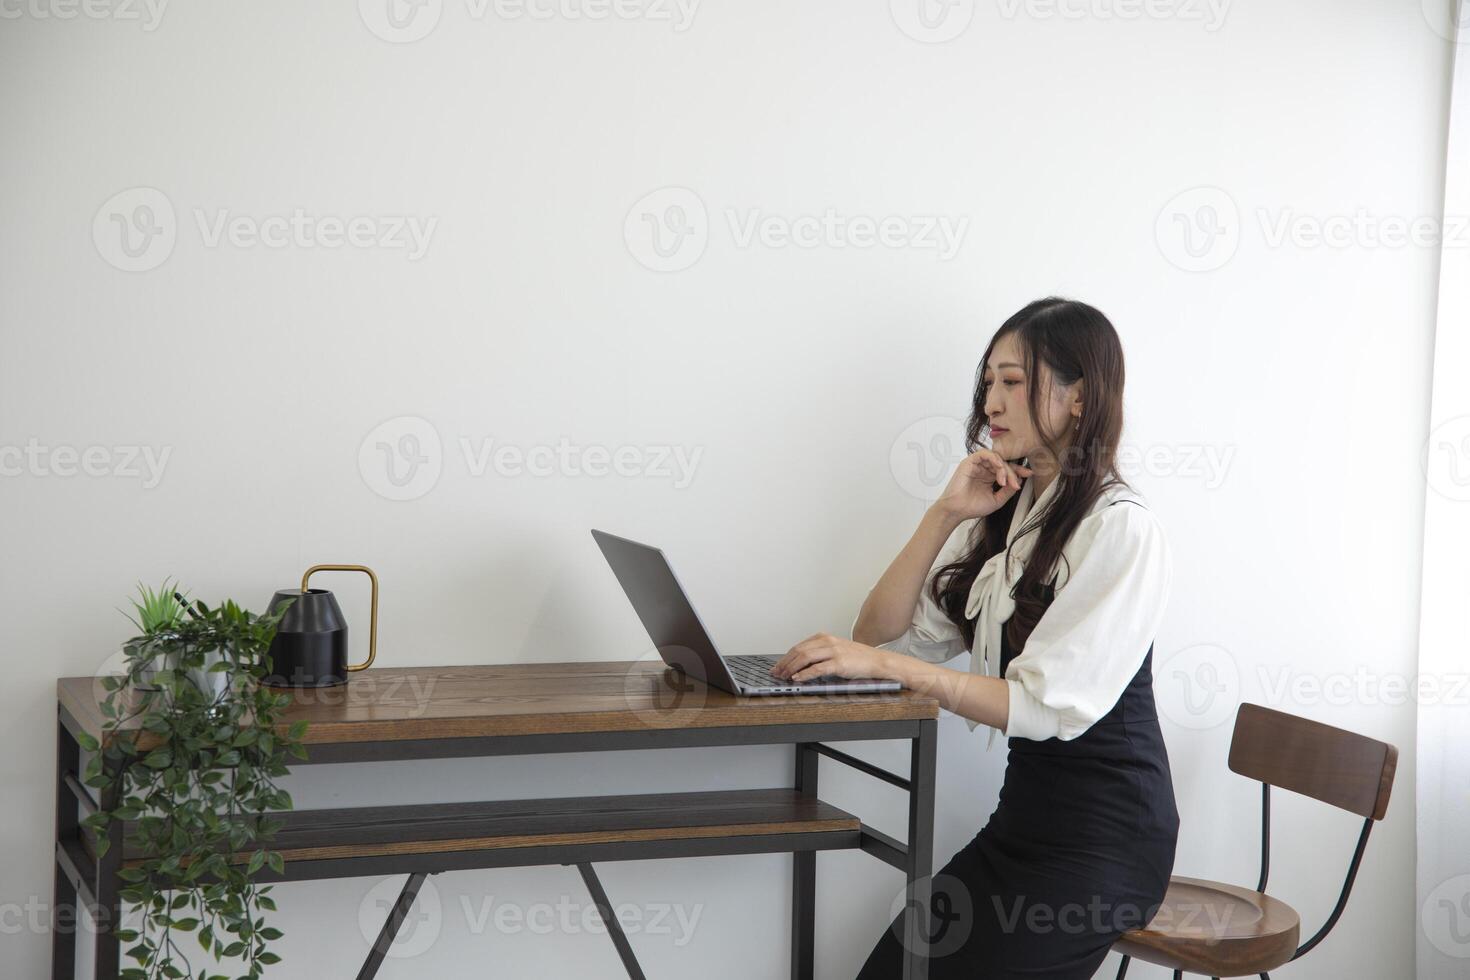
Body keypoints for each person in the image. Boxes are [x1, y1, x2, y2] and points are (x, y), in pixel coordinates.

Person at [771, 297, 1179, 978]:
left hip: (1105, 842)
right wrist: (943, 513)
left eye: (1013, 382)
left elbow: (1042, 707)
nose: (992, 399)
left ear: (1079, 398)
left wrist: (890, 668)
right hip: (1023, 824)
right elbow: (881, 634)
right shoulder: (1007, 514)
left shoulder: (1122, 530)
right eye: (989, 381)